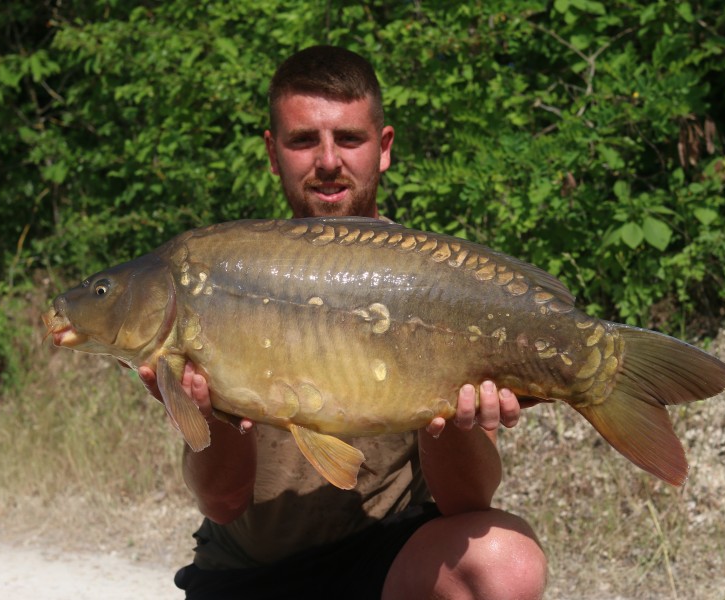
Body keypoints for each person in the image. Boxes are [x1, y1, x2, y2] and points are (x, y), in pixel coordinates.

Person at [139, 45, 548, 599]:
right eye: (304, 140)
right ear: (272, 151)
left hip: (384, 561)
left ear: (382, 149)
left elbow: (467, 502)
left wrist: (454, 419)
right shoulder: (222, 277)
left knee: (506, 564)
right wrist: (204, 414)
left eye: (349, 139)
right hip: (246, 573)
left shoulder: (432, 281)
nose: (328, 160)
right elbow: (222, 502)